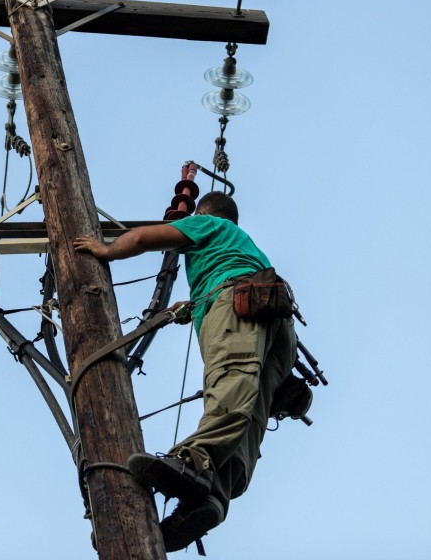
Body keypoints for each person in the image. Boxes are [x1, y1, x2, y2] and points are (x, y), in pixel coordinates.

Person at [73, 191, 297, 551]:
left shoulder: (207, 224)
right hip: (280, 327)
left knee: (230, 380)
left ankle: (192, 462)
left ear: (205, 212)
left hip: (238, 304)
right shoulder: (242, 246)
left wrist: (106, 250)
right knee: (253, 407)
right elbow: (222, 279)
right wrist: (188, 307)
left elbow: (145, 237)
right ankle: (212, 497)